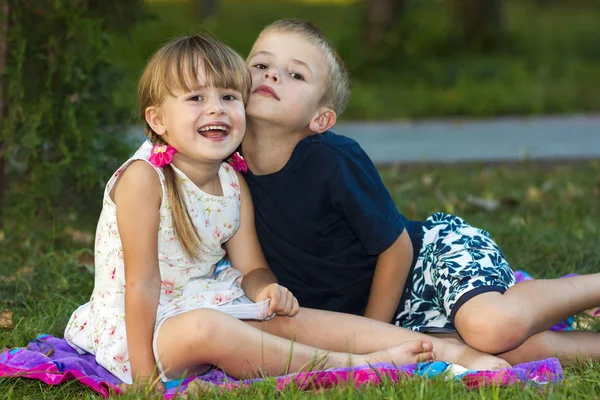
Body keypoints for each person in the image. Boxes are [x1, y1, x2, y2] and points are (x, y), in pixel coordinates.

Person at [64, 34, 446, 396]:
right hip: (140, 335)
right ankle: (358, 365)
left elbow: (252, 268)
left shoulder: (232, 181)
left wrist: (265, 290)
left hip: (201, 303)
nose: (216, 107)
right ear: (158, 120)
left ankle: (449, 352)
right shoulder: (143, 179)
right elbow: (142, 284)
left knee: (281, 318)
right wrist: (145, 380)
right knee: (207, 328)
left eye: (229, 96)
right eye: (196, 97)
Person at [240, 19, 600, 366]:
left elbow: (397, 250)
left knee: (491, 328)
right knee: (502, 352)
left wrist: (376, 336)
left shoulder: (333, 161)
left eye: (296, 74)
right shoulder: (224, 162)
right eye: (260, 64)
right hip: (395, 311)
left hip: (429, 259)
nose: (272, 74)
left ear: (321, 119)